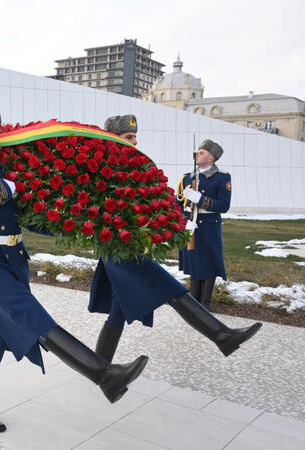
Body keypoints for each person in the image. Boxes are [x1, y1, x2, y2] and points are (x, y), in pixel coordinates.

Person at [0, 102, 148, 434]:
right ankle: (104, 375)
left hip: (15, 260)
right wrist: (4, 188)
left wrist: (74, 226)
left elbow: (25, 216)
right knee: (32, 319)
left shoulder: (6, 169)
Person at [88, 115, 261, 367]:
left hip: (128, 243)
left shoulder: (129, 164)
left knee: (119, 306)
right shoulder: (104, 167)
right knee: (169, 287)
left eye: (135, 136)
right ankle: (221, 335)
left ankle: (100, 369)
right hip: (116, 244)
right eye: (129, 137)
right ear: (113, 137)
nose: (135, 141)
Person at [177, 140, 230, 310]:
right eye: (197, 152)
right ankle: (194, 302)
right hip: (190, 226)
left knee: (209, 263)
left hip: (209, 225)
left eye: (201, 152)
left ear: (211, 158)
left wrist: (200, 199)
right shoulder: (187, 177)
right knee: (194, 261)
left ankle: (205, 304)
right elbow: (178, 203)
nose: (197, 155)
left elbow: (224, 205)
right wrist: (182, 220)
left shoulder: (222, 177)